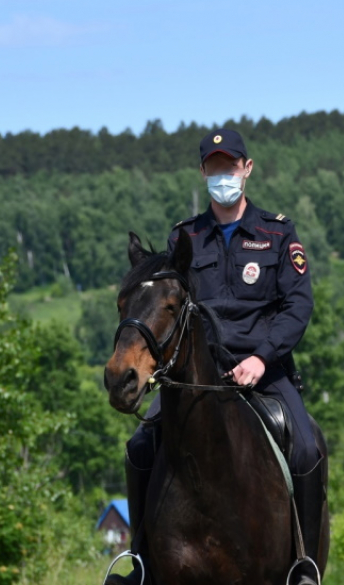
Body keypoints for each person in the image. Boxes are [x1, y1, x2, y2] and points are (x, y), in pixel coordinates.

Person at [108, 128, 325, 585]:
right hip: (195, 375)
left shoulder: (278, 233)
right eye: (214, 167)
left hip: (263, 371)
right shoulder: (185, 237)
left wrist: (263, 358)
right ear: (203, 172)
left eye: (231, 166)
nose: (222, 174)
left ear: (246, 169)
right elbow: (166, 307)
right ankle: (140, 563)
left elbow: (298, 306)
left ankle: (304, 565)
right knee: (140, 447)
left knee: (306, 447)